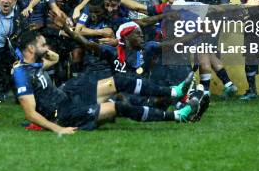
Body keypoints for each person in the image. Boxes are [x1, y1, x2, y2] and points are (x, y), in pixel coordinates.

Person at [12, 31, 200, 134]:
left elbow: (54, 58)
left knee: (118, 81)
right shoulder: (21, 74)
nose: (46, 48)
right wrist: (59, 129)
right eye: (42, 44)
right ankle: (177, 116)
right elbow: (30, 113)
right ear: (30, 48)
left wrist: (40, 50)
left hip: (69, 99)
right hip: (63, 114)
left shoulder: (33, 66)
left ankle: (174, 92)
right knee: (118, 107)